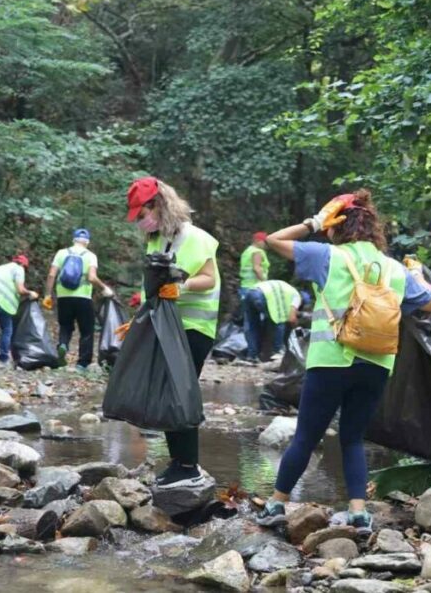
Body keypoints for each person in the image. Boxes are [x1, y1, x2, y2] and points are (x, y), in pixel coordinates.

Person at [256, 190, 431, 533]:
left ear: (338, 225)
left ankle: (276, 503)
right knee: (352, 438)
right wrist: (417, 275)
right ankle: (358, 513)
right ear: (373, 228)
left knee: (306, 437)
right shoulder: (394, 268)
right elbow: (430, 304)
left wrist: (313, 222)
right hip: (376, 364)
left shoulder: (328, 256)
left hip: (331, 362)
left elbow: (273, 240)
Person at [126, 176, 220, 489]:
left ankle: (189, 466)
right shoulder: (155, 238)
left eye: (143, 215)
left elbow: (209, 278)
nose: (141, 222)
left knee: (181, 394)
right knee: (168, 394)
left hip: (194, 328)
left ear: (159, 205)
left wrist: (181, 286)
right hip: (166, 326)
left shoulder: (195, 237)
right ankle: (178, 463)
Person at [42, 228, 114, 373]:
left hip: (63, 296)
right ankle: (82, 364)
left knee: (65, 326)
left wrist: (48, 295)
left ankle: (63, 345)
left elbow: (51, 275)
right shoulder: (90, 256)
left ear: (73, 239)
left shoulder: (62, 253)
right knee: (87, 330)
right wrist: (104, 288)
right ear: (87, 242)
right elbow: (92, 278)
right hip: (83, 297)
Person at [0, 255, 38, 366]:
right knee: (7, 329)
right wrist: (30, 293)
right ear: (24, 265)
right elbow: (20, 289)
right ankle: (3, 358)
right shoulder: (19, 269)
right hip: (2, 302)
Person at [241, 279, 301, 363]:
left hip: (250, 293)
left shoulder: (286, 289)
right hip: (263, 296)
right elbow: (291, 318)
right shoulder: (296, 296)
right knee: (279, 321)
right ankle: (278, 353)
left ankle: (252, 355)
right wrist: (296, 326)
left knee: (252, 325)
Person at [240, 232, 271, 362]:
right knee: (268, 320)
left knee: (250, 323)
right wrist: (266, 283)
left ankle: (251, 354)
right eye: (265, 242)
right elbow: (257, 268)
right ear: (259, 241)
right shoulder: (257, 252)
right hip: (257, 290)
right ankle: (267, 353)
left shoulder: (246, 251)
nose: (266, 245)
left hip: (244, 289)